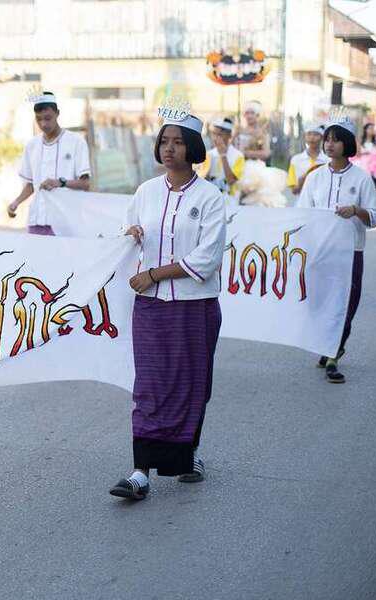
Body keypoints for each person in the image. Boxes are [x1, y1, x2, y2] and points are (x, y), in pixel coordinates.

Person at [109, 108, 226, 501]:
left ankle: (187, 455)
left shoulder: (210, 197)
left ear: (193, 147)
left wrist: (155, 274)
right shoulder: (145, 192)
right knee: (149, 385)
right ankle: (140, 472)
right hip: (151, 307)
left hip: (195, 306)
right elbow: (125, 234)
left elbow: (207, 258)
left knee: (192, 384)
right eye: (164, 141)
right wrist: (130, 233)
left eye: (178, 142)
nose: (169, 149)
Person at [298, 117, 376, 384]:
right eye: (327, 139)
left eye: (336, 140)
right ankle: (327, 343)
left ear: (347, 144)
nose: (329, 144)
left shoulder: (361, 178)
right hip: (320, 251)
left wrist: (356, 210)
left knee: (346, 302)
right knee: (319, 301)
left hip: (350, 251)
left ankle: (334, 353)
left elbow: (375, 217)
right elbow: (302, 214)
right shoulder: (315, 177)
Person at [7, 91, 91, 234]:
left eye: (47, 118)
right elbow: (31, 184)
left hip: (66, 221)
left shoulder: (76, 142)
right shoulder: (32, 145)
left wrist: (60, 182)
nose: (43, 124)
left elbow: (85, 184)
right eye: (39, 119)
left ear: (57, 113)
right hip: (37, 220)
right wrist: (16, 202)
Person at [197, 116, 245, 206]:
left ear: (229, 135)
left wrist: (223, 155)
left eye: (220, 135)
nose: (215, 138)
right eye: (214, 134)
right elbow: (203, 178)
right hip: (211, 200)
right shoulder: (209, 154)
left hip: (230, 201)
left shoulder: (238, 156)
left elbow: (231, 181)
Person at [286, 123, 328, 196]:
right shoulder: (295, 160)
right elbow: (294, 191)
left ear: (322, 137)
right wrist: (301, 183)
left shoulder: (328, 160)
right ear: (304, 137)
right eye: (309, 134)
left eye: (315, 134)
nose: (312, 137)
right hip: (302, 201)